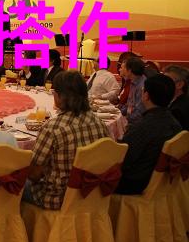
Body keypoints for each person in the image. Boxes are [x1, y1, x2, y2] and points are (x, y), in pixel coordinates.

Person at [25, 71, 110, 210]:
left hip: (58, 198)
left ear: (60, 96)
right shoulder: (99, 123)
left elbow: (34, 174)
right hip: (92, 193)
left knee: (12, 186)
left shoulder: (53, 128)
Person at [116, 74, 182, 194]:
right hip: (162, 181)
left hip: (136, 183)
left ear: (146, 96)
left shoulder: (143, 127)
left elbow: (122, 160)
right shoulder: (175, 123)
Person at [118, 57, 146, 125]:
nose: (120, 70)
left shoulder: (141, 86)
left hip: (136, 124)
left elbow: (139, 113)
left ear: (129, 70)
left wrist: (123, 119)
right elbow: (129, 105)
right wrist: (118, 112)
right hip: (130, 119)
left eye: (123, 68)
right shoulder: (133, 82)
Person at [163, 65, 189, 129]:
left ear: (179, 85)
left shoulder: (176, 111)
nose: (161, 84)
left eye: (166, 81)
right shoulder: (184, 99)